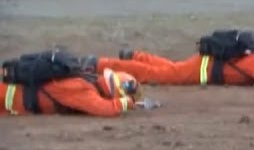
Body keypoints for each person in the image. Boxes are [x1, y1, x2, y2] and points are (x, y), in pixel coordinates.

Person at [97, 30, 254, 87]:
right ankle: (101, 64)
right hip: (204, 70)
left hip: (206, 63)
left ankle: (134, 55)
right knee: (160, 74)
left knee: (171, 68)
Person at [2, 51, 156, 117]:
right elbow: (104, 109)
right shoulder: (84, 89)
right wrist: (126, 103)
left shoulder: (85, 78)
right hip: (11, 98)